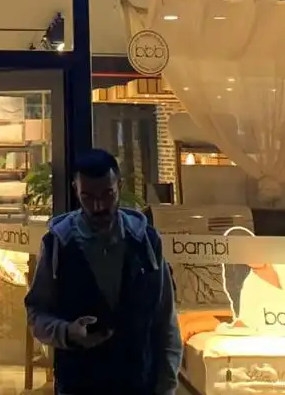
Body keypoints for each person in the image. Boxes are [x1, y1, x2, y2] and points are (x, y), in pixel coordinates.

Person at [24, 149, 181, 395]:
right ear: (76, 190)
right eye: (88, 197)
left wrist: (167, 385)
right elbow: (36, 314)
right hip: (79, 383)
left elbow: (165, 319)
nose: (99, 206)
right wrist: (67, 332)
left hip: (140, 383)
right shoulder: (58, 244)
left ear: (120, 186)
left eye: (108, 194)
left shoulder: (146, 242)